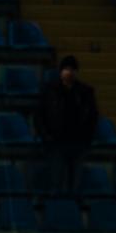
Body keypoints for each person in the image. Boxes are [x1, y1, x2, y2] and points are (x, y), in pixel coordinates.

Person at [36, 55, 98, 196]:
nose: (69, 72)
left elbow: (93, 117)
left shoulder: (86, 92)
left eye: (72, 69)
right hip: (56, 142)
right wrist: (46, 137)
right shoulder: (49, 91)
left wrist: (87, 139)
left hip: (78, 143)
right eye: (66, 69)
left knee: (75, 185)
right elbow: (39, 116)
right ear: (61, 71)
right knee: (56, 182)